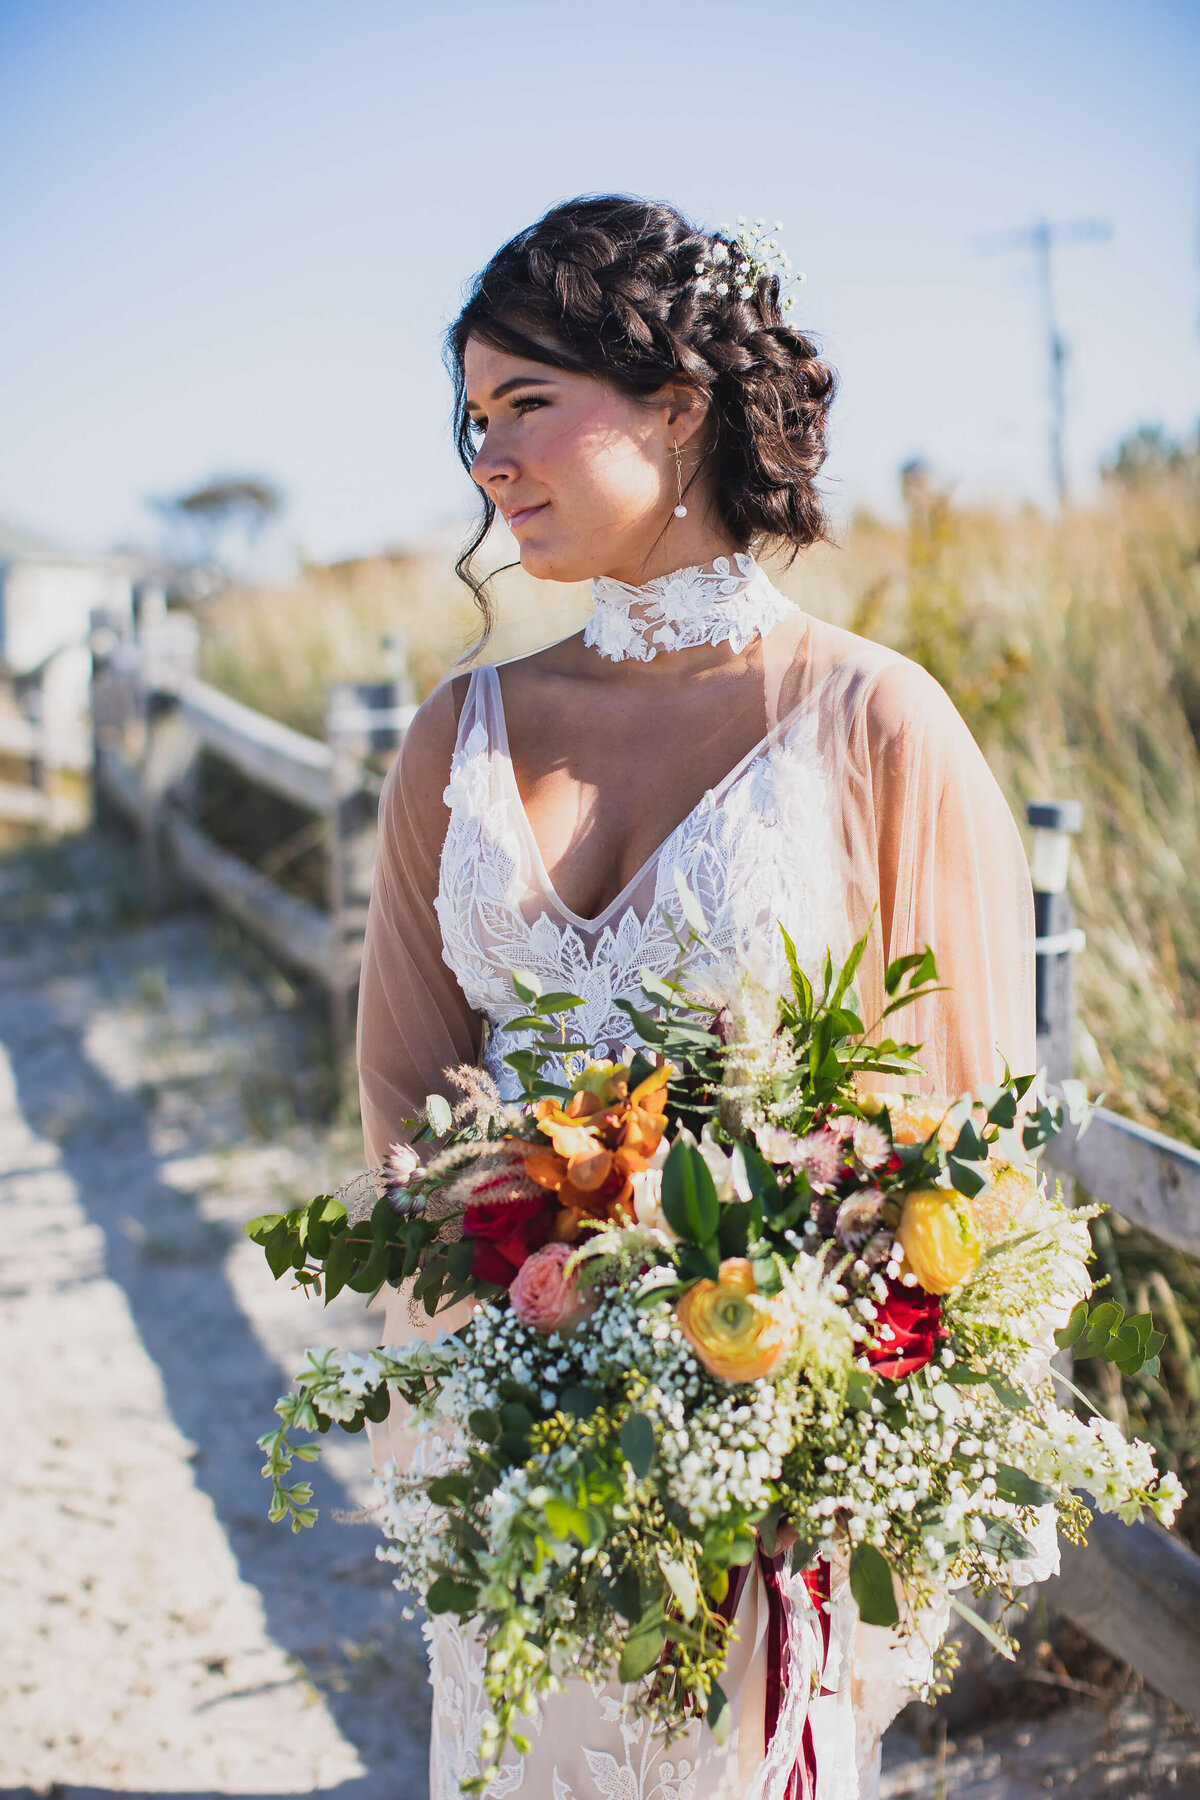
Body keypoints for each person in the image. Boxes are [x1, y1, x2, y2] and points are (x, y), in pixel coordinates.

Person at [356, 195, 1040, 1800]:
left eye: (529, 402)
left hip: (768, 1471)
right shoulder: (450, 740)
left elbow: (962, 1144)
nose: (488, 457)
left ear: (679, 407)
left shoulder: (881, 722)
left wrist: (782, 1409)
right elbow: (402, 1094)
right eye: (474, 417)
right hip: (515, 1455)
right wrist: (520, 1357)